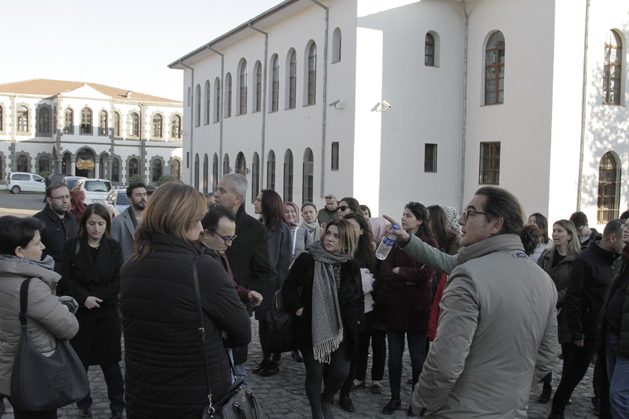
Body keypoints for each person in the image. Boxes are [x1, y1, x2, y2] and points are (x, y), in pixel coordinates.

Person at [386, 187, 557, 417]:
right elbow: (546, 357)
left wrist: (421, 403)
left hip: (462, 409)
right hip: (512, 409)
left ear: (495, 224)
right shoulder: (544, 280)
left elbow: (445, 364)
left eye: (470, 213)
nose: (461, 220)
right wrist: (512, 391)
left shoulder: (469, 276)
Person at [120, 182, 251, 419]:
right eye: (198, 220)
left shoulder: (131, 267)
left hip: (143, 396)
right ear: (182, 221)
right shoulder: (202, 268)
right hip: (195, 398)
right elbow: (242, 331)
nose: (201, 228)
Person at [282, 219, 363, 419]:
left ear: (346, 241)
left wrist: (357, 318)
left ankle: (326, 399)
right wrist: (298, 308)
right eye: (329, 233)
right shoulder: (308, 258)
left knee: (341, 371)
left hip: (340, 328)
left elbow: (358, 296)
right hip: (310, 326)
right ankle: (317, 411)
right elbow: (288, 287)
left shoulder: (350, 265)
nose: (330, 238)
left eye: (336, 236)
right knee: (315, 373)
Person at [0, 216, 79, 419]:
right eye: (37, 243)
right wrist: (65, 307)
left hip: (8, 374)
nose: (43, 246)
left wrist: (53, 302)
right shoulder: (31, 286)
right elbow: (69, 327)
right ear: (19, 251)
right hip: (34, 374)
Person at [549, 219, 625, 419]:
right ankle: (557, 410)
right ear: (612, 238)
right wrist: (577, 332)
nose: (624, 245)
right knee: (573, 375)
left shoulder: (616, 260)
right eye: (623, 241)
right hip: (582, 329)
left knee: (603, 377)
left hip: (602, 328)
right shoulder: (585, 260)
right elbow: (573, 297)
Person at [61, 204, 125, 419]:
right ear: (84, 224)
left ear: (107, 225)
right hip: (82, 313)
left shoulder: (113, 247)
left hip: (106, 312)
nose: (96, 229)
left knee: (111, 365)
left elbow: (118, 279)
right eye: (92, 223)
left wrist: (98, 297)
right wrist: (84, 298)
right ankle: (83, 403)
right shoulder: (72, 246)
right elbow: (65, 278)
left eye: (100, 224)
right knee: (81, 363)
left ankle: (117, 405)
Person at [377, 202, 437, 416]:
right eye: (402, 214)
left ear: (419, 220)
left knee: (417, 358)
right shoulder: (392, 239)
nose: (403, 218)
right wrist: (407, 278)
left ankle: (416, 400)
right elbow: (383, 271)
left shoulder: (429, 243)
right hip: (395, 306)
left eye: (408, 215)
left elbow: (427, 274)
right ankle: (394, 398)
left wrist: (400, 271)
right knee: (394, 356)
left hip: (417, 308)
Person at [215, 174, 272, 379]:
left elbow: (264, 271)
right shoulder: (206, 222)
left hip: (235, 307)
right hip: (207, 306)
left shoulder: (254, 229)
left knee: (236, 371)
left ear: (237, 198)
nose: (216, 194)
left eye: (222, 191)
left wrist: (247, 298)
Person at [338, 213, 385, 413]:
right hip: (344, 308)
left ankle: (365, 382)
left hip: (368, 307)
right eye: (345, 225)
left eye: (352, 226)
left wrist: (365, 283)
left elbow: (377, 278)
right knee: (350, 347)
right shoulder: (338, 248)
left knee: (367, 345)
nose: (348, 229)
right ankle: (348, 380)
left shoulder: (370, 252)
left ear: (362, 231)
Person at [534, 219, 581, 404]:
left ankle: (564, 392)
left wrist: (553, 298)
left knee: (568, 354)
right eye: (554, 230)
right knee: (545, 349)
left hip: (566, 313)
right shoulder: (546, 256)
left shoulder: (578, 259)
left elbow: (574, 287)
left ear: (569, 235)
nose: (555, 234)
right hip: (545, 310)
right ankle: (546, 387)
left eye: (559, 231)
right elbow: (536, 277)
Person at [253, 190, 291, 377]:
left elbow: (283, 261)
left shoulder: (281, 228)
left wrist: (282, 289)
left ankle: (274, 360)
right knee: (262, 322)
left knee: (273, 323)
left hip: (273, 284)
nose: (255, 202)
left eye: (259, 199)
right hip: (260, 282)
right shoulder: (260, 225)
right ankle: (266, 357)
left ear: (268, 203)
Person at [601, 216, 629, 418]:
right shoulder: (623, 258)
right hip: (613, 333)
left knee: (618, 395)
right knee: (617, 392)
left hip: (626, 341)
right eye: (626, 225)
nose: (625, 229)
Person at [34, 183, 78, 273]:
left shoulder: (72, 219)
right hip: (49, 275)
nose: (65, 201)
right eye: (60, 198)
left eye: (67, 197)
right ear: (49, 200)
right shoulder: (37, 222)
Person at [111, 182, 147, 264]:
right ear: (130, 199)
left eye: (144, 194)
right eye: (138, 195)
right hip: (128, 267)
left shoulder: (153, 220)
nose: (143, 198)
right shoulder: (118, 222)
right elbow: (113, 251)